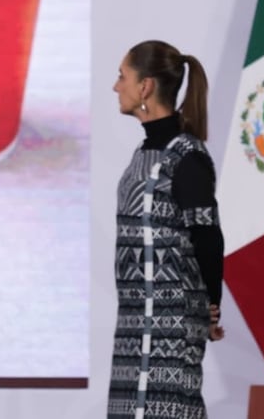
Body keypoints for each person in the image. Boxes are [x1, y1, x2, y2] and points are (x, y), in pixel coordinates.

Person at [107, 40, 225, 419]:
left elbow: (207, 235)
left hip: (171, 324)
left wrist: (212, 306)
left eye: (122, 76)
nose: (115, 86)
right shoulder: (143, 153)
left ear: (146, 87)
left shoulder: (186, 155)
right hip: (134, 319)